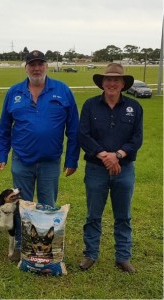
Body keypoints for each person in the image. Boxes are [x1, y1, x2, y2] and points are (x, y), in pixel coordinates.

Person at [0, 50, 80, 262]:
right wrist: (1, 155)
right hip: (22, 160)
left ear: (46, 66)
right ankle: (23, 246)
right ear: (26, 68)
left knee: (47, 205)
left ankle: (44, 247)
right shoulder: (14, 92)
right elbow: (4, 128)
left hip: (50, 161)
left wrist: (71, 160)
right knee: (22, 205)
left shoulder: (62, 90)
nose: (36, 68)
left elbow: (74, 129)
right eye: (32, 64)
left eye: (40, 64)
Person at [79, 63, 143, 273]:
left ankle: (123, 257)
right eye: (108, 80)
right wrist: (104, 155)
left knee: (123, 216)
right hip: (96, 168)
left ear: (123, 83)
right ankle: (90, 254)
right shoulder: (90, 105)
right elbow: (83, 135)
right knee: (93, 215)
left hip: (124, 169)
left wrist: (117, 155)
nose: (112, 83)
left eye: (116, 80)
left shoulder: (135, 107)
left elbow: (137, 138)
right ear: (102, 83)